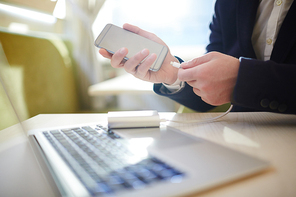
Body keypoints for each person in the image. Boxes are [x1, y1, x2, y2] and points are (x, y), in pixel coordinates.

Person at [99, 0, 296, 114]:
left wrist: (243, 78)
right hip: (240, 142)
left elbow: (235, 78)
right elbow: (209, 92)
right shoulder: (229, 4)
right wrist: (172, 74)